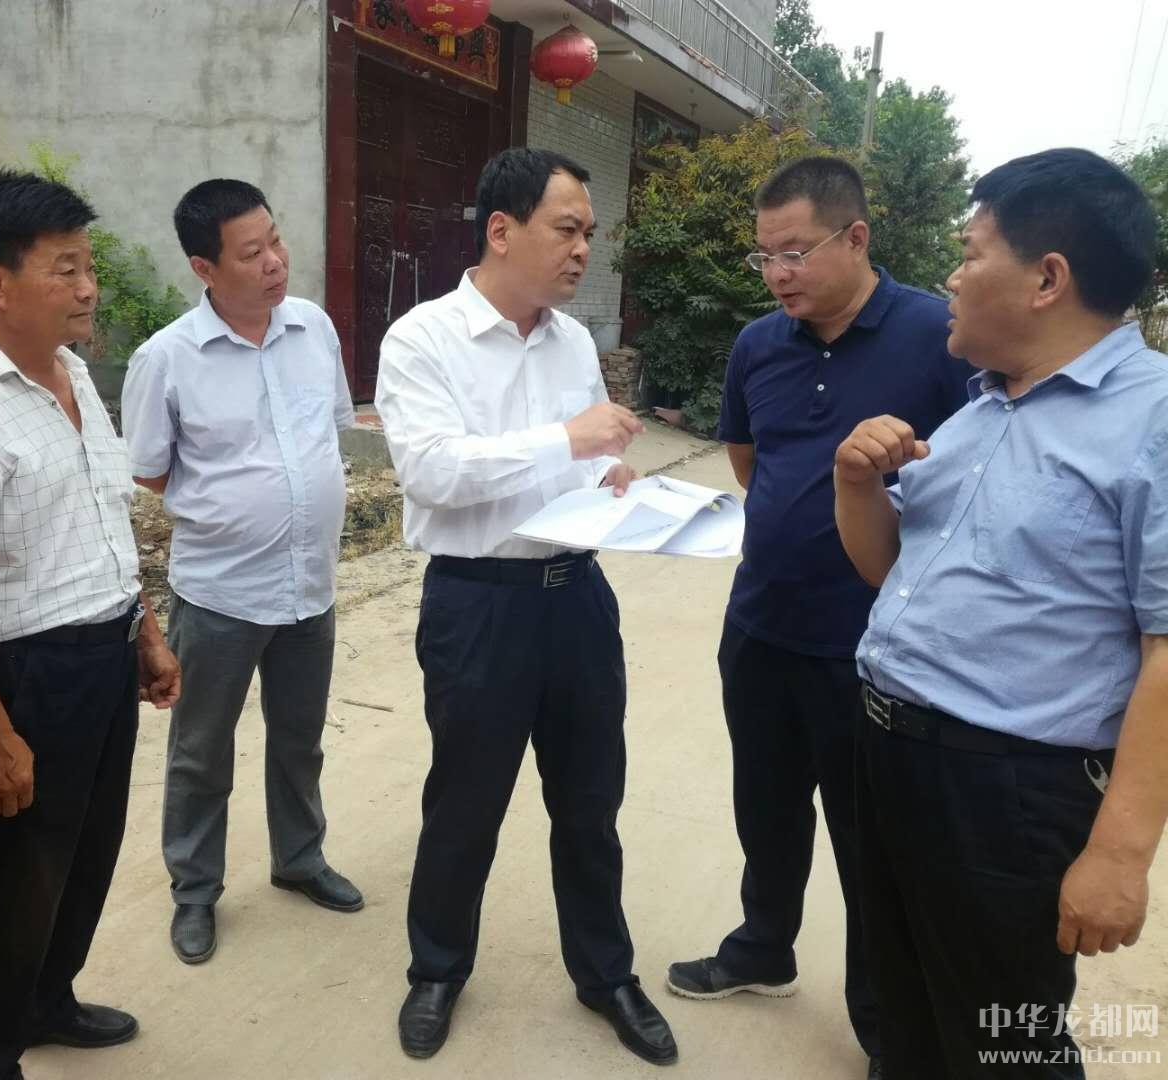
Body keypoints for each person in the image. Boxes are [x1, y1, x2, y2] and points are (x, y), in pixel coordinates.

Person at [835, 148, 1168, 1078]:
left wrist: (1120, 854)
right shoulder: (982, 410)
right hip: (889, 752)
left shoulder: (1153, 420)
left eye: (970, 252)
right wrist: (855, 483)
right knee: (900, 1009)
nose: (951, 275)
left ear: (1046, 279)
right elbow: (889, 571)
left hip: (1007, 794)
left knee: (1002, 1043)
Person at [665, 156, 971, 1080]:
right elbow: (747, 458)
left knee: (871, 842)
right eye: (764, 256)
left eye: (793, 252)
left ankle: (883, 1022)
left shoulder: (939, 335)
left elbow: (972, 479)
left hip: (874, 647)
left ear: (857, 237)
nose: (776, 274)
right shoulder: (760, 344)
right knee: (765, 806)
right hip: (760, 626)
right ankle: (764, 946)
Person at [376, 147, 677, 1065]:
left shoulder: (573, 341)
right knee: (465, 803)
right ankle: (437, 970)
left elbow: (586, 457)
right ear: (502, 231)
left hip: (576, 599)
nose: (584, 248)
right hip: (479, 604)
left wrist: (610, 471)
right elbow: (431, 472)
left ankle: (606, 974)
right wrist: (567, 440)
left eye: (589, 232)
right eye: (567, 229)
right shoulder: (422, 339)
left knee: (590, 802)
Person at [0, 170, 180, 1080]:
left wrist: (142, 630)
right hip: (19, 673)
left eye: (89, 266)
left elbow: (98, 517)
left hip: (100, 656)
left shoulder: (72, 371)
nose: (89, 288)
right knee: (6, 882)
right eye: (65, 269)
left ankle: (49, 1001)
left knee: (82, 856)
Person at [122, 179, 363, 967]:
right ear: (205, 267)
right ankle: (195, 890)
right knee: (201, 751)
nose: (275, 262)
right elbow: (150, 471)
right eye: (251, 252)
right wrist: (233, 504)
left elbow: (331, 430)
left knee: (299, 739)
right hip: (221, 593)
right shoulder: (167, 359)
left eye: (276, 240)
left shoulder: (313, 328)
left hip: (309, 586)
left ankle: (300, 859)